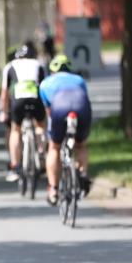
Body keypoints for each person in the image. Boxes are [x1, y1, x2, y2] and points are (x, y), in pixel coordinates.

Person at [39, 54, 92, 205]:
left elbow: (48, 113)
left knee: (54, 148)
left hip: (59, 108)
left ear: (52, 70)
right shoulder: (79, 80)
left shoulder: (45, 84)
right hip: (81, 107)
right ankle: (82, 174)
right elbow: (84, 98)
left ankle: (54, 189)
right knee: (80, 145)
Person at [0, 41, 47, 182]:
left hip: (18, 101)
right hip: (36, 99)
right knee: (40, 126)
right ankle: (41, 151)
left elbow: (4, 93)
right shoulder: (38, 64)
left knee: (15, 130)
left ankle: (15, 166)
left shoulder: (10, 66)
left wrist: (4, 111)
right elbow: (44, 87)